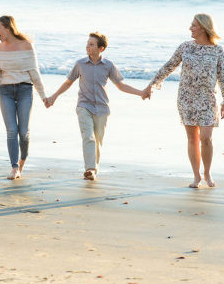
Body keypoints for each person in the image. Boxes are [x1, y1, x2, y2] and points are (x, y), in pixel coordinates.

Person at [141, 14, 224, 188]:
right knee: (192, 139)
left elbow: (223, 76)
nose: (190, 28)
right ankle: (196, 177)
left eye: (194, 25)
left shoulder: (218, 50)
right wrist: (152, 85)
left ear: (204, 28)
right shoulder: (185, 47)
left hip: (207, 98)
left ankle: (207, 173)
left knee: (206, 138)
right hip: (186, 98)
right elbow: (168, 66)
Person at [45, 33, 148, 180]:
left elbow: (121, 85)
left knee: (98, 142)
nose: (87, 46)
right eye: (87, 43)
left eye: (92, 44)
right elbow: (68, 82)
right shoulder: (80, 64)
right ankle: (90, 169)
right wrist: (53, 97)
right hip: (84, 105)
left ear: (101, 48)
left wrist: (141, 93)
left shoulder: (109, 66)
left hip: (102, 108)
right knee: (89, 137)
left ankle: (93, 170)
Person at [0, 15, 49, 180]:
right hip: (5, 91)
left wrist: (44, 96)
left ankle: (22, 161)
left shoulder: (26, 46)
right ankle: (14, 167)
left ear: (8, 28)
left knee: (23, 132)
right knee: (11, 131)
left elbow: (35, 73)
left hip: (24, 90)